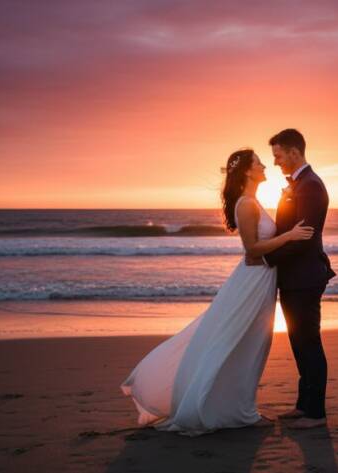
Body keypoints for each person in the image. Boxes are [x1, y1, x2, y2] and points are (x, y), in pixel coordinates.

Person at [120, 148, 314, 436]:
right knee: (240, 342)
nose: (265, 166)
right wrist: (289, 236)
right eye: (259, 162)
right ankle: (235, 411)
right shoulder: (246, 204)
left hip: (261, 280)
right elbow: (252, 251)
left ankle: (240, 409)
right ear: (248, 171)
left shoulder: (254, 201)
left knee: (252, 344)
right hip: (251, 280)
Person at [260, 128, 336, 429]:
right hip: (294, 277)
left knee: (309, 342)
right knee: (298, 342)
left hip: (305, 277)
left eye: (278, 155)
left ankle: (316, 413)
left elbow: (303, 239)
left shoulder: (311, 187)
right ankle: (303, 407)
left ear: (293, 152)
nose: (276, 162)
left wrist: (264, 257)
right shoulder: (299, 185)